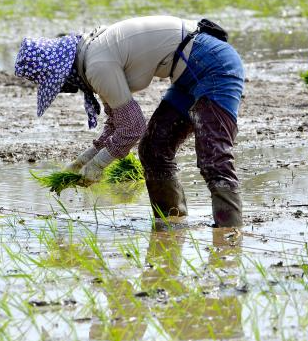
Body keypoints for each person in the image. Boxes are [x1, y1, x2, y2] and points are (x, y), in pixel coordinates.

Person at [14, 15, 245, 227]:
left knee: (213, 157)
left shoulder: (97, 65)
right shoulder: (92, 54)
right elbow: (117, 123)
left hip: (214, 65)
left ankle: (230, 234)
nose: (68, 88)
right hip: (187, 74)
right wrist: (83, 160)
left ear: (64, 72)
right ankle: (171, 224)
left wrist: (97, 166)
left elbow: (133, 127)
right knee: (154, 149)